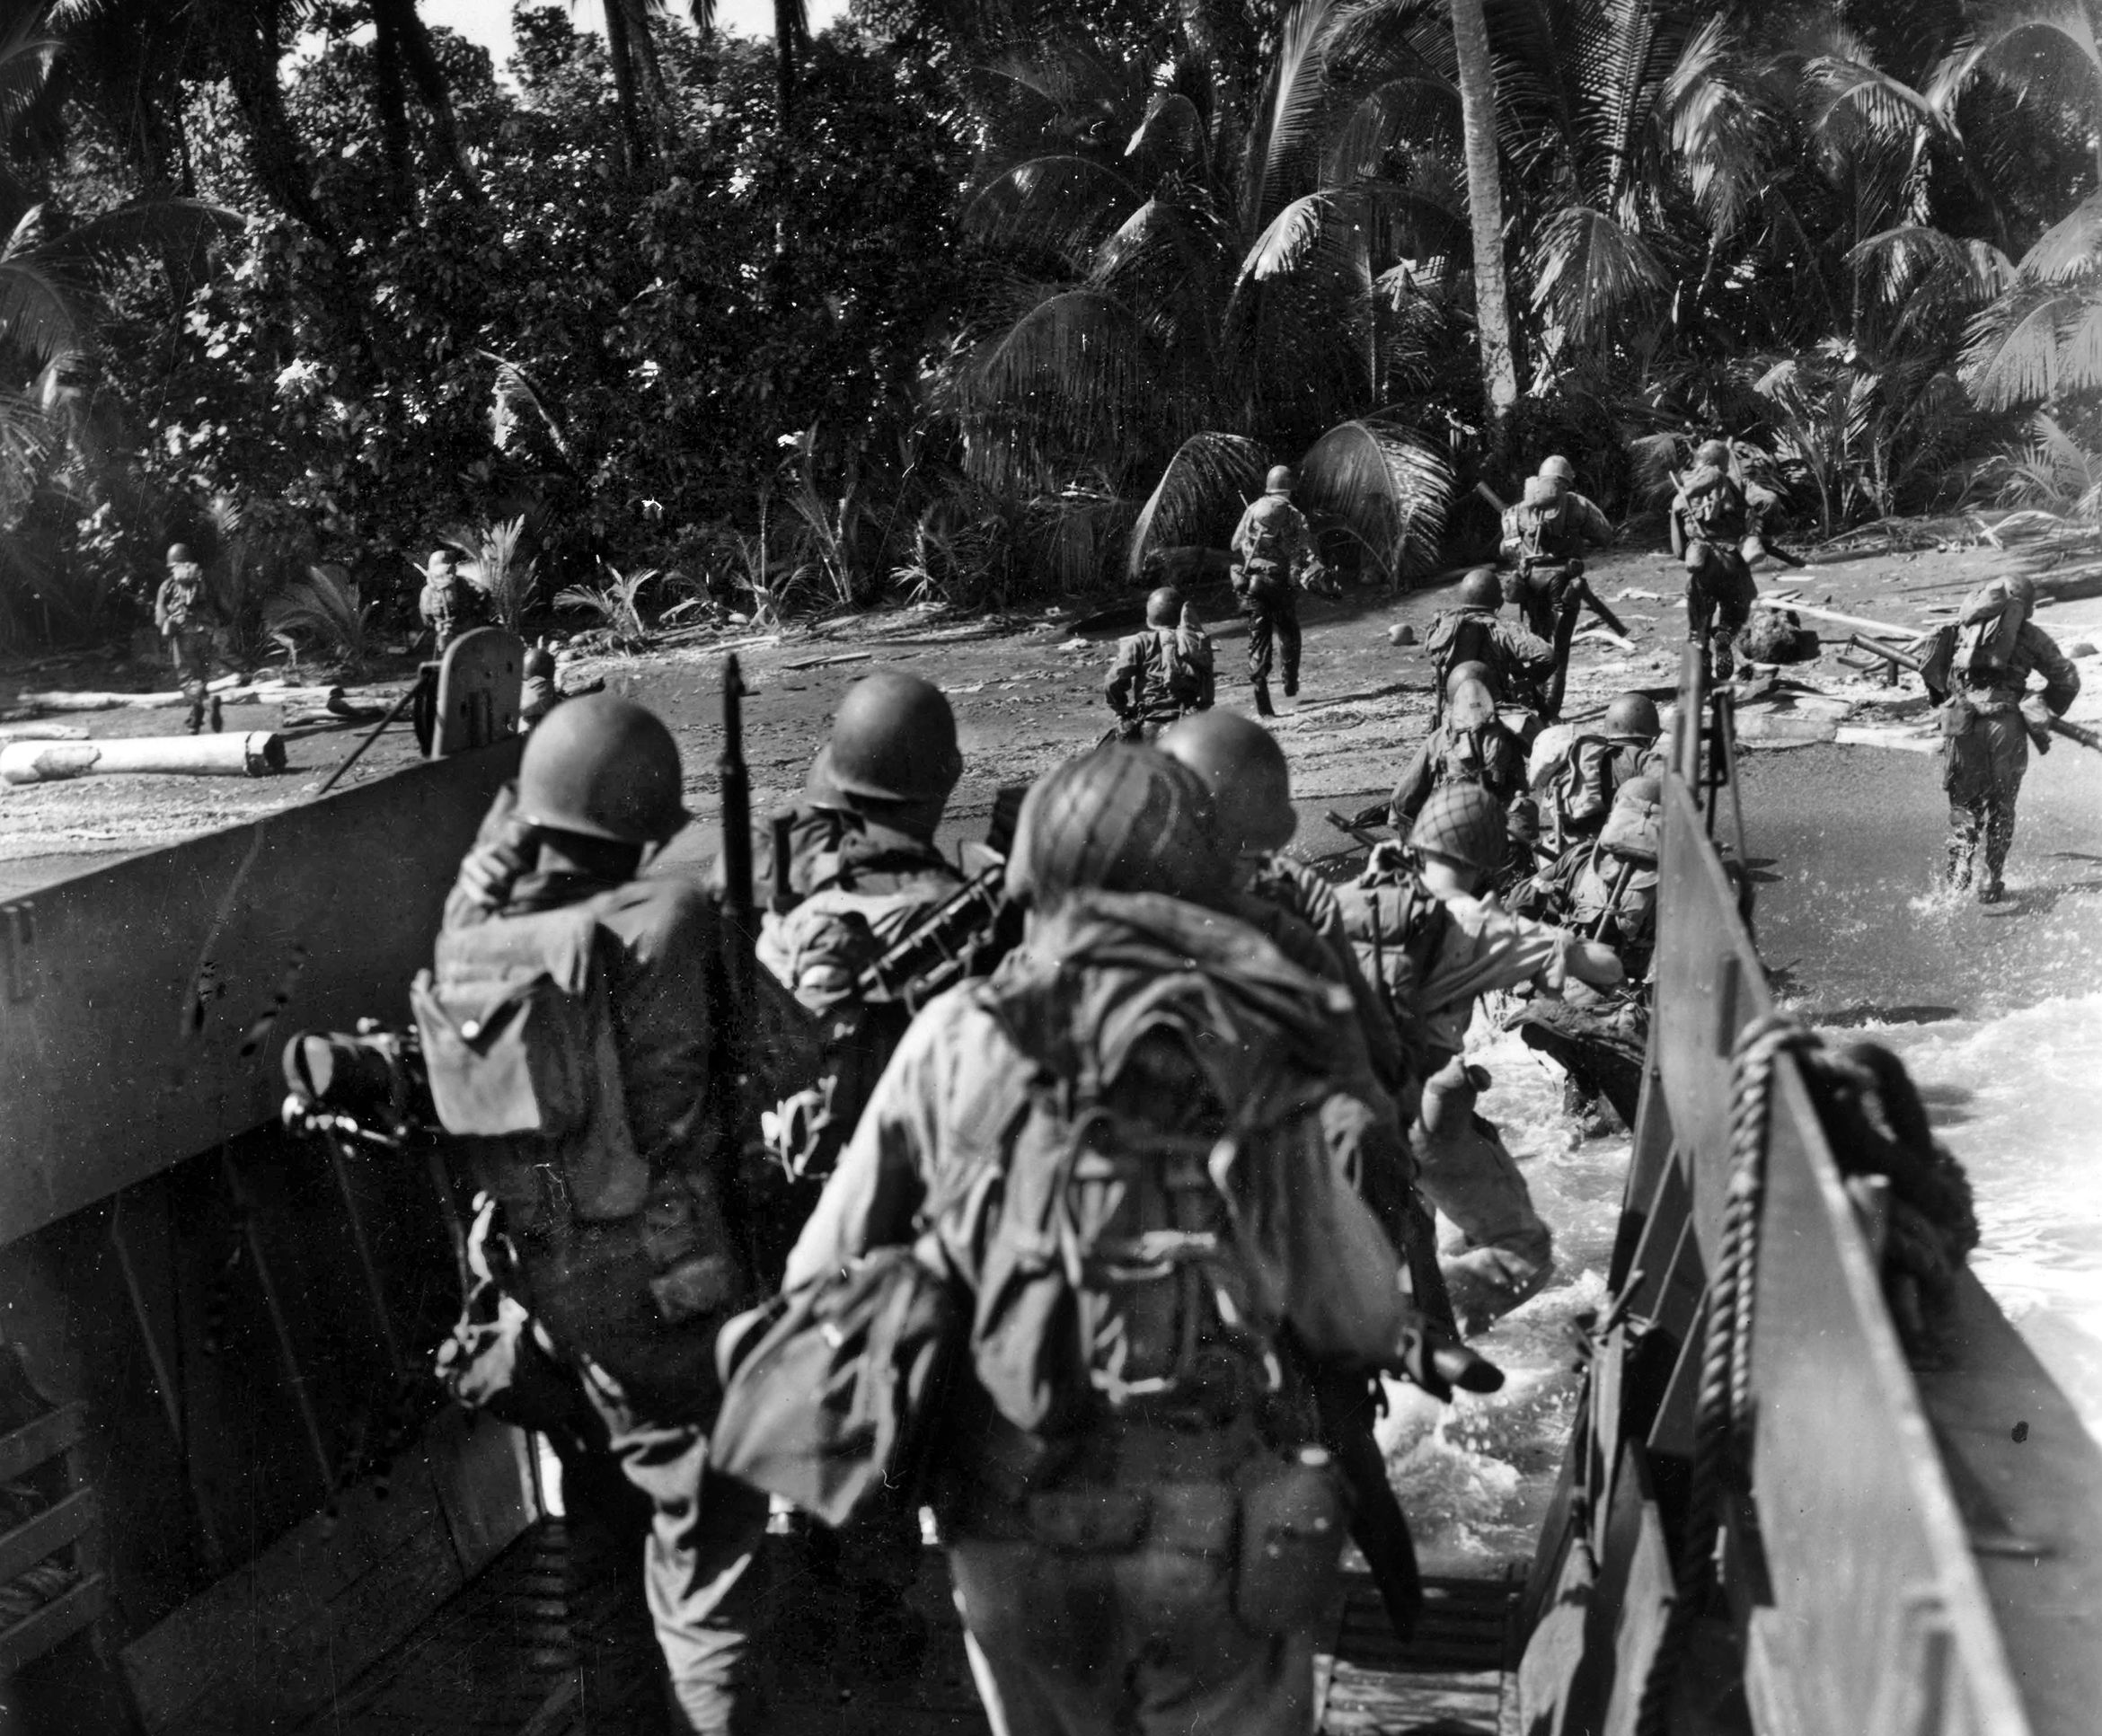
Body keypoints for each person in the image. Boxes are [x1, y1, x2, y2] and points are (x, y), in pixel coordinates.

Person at [782, 745, 1497, 1736]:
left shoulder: (954, 1031)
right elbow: (1352, 1303)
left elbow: (820, 1271)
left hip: (1007, 1512)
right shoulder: (1248, 1040)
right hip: (1205, 1511)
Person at [413, 694, 818, 1734]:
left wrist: (523, 801)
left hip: (552, 1315)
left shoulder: (472, 949)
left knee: (600, 1548)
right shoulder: (676, 921)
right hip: (680, 1306)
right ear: (642, 827)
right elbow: (792, 1052)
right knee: (709, 1578)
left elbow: (479, 895)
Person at [1336, 783, 1623, 1328]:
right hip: (1422, 1113)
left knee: (1412, 1237)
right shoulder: (1477, 923)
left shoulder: (1355, 900)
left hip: (1340, 1113)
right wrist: (1558, 944)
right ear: (1487, 858)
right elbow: (1605, 968)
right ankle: (1415, 1321)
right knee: (1525, 1249)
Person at [1930, 574, 2081, 902]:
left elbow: (1934, 672)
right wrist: (2042, 705)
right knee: (2002, 806)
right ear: (2027, 606)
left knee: (1965, 804)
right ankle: (1990, 879)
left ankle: (1958, 876)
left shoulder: (1960, 630)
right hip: (2005, 724)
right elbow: (2067, 678)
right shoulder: (2030, 635)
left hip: (1962, 723)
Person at [1669, 441, 1772, 686]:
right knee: (1736, 612)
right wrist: (1756, 529)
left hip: (1702, 564)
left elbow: (1677, 549)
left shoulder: (1683, 494)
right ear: (1725, 463)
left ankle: (1700, 683)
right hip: (1731, 563)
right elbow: (1768, 501)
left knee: (1697, 630)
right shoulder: (1739, 486)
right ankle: (1725, 635)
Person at [1388, 664, 1531, 836]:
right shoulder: (1511, 727)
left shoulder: (1440, 739)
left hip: (1458, 828)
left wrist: (1402, 824)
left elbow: (1405, 796)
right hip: (1504, 827)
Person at [1230, 464, 1315, 717]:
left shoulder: (1253, 508)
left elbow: (1235, 543)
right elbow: (1302, 551)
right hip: (1278, 583)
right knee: (1289, 631)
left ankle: (1262, 701)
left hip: (1251, 583)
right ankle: (1290, 683)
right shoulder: (1293, 514)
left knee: (1259, 639)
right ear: (1289, 488)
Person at [1422, 568, 1556, 727]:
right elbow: (1549, 656)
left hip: (1451, 716)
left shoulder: (1444, 628)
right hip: (1493, 712)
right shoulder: (1501, 629)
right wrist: (1526, 677)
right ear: (1498, 601)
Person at [1536, 692, 1665, 853]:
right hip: (1615, 848)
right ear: (1648, 736)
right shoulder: (1645, 760)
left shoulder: (1585, 756)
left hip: (1563, 847)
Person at [1498, 466, 1612, 642]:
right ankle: (1558, 664)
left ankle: (1542, 656)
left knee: (1538, 629)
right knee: (1563, 630)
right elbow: (1604, 535)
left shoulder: (1518, 510)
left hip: (1530, 577)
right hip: (1565, 576)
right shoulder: (1578, 503)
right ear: (1565, 482)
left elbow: (1506, 551)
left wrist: (1525, 546)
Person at [1104, 585, 1215, 741]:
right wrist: (1202, 708)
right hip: (1189, 718)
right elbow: (1208, 686)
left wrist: (1122, 710)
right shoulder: (1196, 641)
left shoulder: (1141, 642)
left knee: (1104, 759)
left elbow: (1112, 681)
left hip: (1150, 718)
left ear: (1151, 616)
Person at [154, 543, 219, 735]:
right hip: (206, 633)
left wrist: (166, 626)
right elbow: (220, 605)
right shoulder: (204, 581)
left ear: (172, 564)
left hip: (184, 636)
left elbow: (159, 616)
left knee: (187, 681)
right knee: (200, 677)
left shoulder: (168, 585)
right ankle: (194, 722)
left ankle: (208, 703)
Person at [418, 548, 490, 653]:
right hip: (444, 633)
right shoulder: (428, 592)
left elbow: (481, 600)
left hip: (466, 630)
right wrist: (438, 625)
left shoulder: (465, 584)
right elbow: (426, 617)